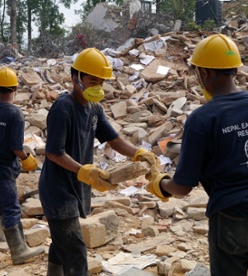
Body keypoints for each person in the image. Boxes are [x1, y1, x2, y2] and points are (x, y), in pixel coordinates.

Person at [145, 34, 248, 276]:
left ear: (204, 73)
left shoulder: (202, 118)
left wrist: (160, 184)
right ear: (234, 70)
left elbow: (182, 187)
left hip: (231, 218)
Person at [38, 48, 158, 275]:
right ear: (76, 78)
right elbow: (54, 152)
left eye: (101, 82)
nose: (98, 86)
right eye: (93, 81)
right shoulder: (63, 108)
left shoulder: (94, 108)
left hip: (77, 187)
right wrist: (83, 171)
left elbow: (113, 139)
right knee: (75, 250)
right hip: (58, 190)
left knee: (62, 241)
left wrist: (138, 154)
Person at [0, 67, 44, 264]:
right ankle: (18, 250)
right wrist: (27, 159)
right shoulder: (15, 113)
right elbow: (16, 147)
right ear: (15, 89)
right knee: (12, 208)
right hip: (2, 167)